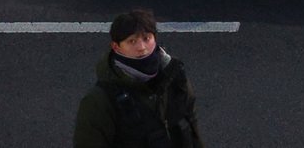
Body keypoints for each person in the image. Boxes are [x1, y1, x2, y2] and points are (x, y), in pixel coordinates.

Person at [74, 8, 205, 148]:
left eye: (146, 38)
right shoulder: (99, 100)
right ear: (116, 47)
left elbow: (191, 124)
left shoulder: (174, 75)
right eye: (132, 41)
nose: (142, 47)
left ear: (155, 38)